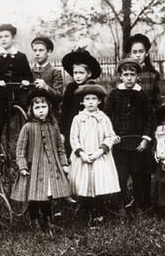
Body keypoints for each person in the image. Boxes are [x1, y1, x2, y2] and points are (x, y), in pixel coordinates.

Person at [10, 87, 72, 235]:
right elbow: (20, 150)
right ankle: (35, 222)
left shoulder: (53, 126)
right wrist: (23, 166)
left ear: (49, 108)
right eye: (37, 107)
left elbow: (60, 147)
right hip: (34, 168)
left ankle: (48, 221)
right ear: (32, 110)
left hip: (51, 167)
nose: (41, 110)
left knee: (47, 196)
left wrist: (64, 163)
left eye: (43, 106)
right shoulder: (28, 127)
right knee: (34, 197)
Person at [103, 57, 155, 219]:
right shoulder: (114, 94)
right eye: (125, 74)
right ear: (120, 76)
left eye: (132, 74)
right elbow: (106, 117)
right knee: (121, 176)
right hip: (119, 144)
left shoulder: (143, 95)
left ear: (138, 76)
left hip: (138, 144)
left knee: (138, 175)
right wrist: (112, 135)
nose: (129, 78)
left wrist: (146, 139)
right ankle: (120, 205)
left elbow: (149, 118)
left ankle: (138, 204)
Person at [68, 83, 121, 225]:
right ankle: (85, 208)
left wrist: (100, 151)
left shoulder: (103, 118)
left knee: (99, 183)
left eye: (94, 99)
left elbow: (110, 136)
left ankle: (99, 210)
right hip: (83, 157)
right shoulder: (78, 119)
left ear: (99, 101)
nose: (90, 102)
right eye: (87, 99)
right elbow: (73, 138)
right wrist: (81, 153)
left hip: (99, 157)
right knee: (83, 182)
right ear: (82, 102)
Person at [0, 23, 34, 169]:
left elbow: (28, 76)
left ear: (14, 38)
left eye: (6, 36)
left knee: (27, 117)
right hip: (2, 93)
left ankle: (29, 152)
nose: (3, 39)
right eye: (0, 37)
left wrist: (26, 81)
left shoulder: (21, 57)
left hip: (19, 92)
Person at [59, 48, 103, 156]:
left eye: (81, 73)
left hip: (90, 128)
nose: (77, 76)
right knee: (73, 154)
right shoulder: (70, 88)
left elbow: (101, 111)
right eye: (75, 73)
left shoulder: (94, 89)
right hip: (72, 127)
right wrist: (62, 132)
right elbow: (65, 111)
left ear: (88, 73)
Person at [123, 33, 163, 110]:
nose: (138, 55)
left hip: (148, 116)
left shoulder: (153, 74)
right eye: (134, 52)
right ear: (130, 54)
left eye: (141, 51)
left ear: (147, 53)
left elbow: (157, 101)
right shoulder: (124, 73)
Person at [30, 35, 64, 117]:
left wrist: (46, 88)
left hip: (51, 115)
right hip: (33, 115)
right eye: (35, 50)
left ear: (49, 52)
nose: (37, 53)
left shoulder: (55, 72)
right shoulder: (30, 71)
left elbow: (59, 97)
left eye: (41, 50)